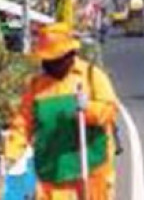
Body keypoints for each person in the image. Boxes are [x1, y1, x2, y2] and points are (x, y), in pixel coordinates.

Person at [5, 23, 120, 199]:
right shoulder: (36, 86)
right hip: (53, 170)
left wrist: (88, 108)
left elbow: (109, 111)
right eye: (47, 60)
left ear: (70, 55)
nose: (51, 64)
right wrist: (9, 157)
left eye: (56, 59)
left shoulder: (91, 75)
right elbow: (22, 125)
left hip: (91, 168)